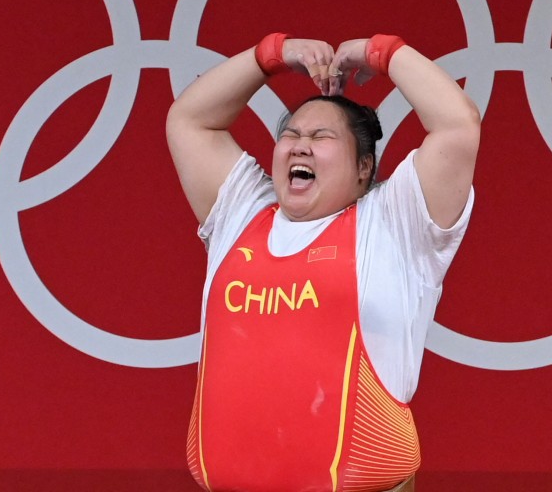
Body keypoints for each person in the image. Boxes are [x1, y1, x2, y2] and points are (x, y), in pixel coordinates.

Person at [166, 32, 481, 492]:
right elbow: (190, 120)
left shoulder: (396, 222)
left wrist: (381, 52)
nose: (299, 145)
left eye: (321, 136)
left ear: (363, 168)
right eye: (291, 135)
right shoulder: (242, 210)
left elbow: (458, 124)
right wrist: (272, 54)